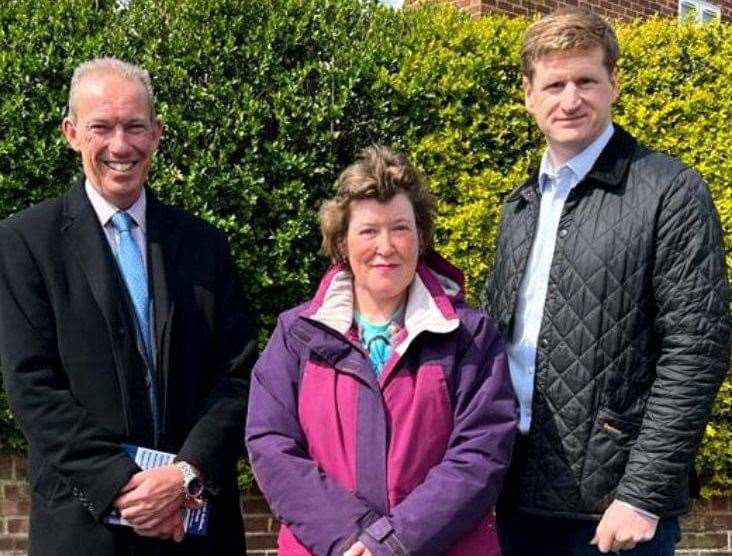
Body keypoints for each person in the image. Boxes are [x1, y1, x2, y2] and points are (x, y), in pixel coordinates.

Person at [483, 7, 730, 556]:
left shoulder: (671, 192)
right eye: (553, 84)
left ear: (614, 83)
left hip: (614, 510)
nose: (569, 99)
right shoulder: (520, 206)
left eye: (585, 81)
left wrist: (643, 494)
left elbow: (697, 350)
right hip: (516, 492)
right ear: (528, 94)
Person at [0, 57, 257, 555]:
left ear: (157, 133)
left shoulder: (206, 245)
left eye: (135, 127)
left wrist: (183, 476)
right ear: (72, 133)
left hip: (195, 527)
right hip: (85, 528)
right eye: (102, 127)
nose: (121, 145)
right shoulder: (24, 243)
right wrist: (126, 487)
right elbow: (32, 386)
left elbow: (239, 376)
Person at [246, 146, 516, 556]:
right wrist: (352, 539)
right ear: (342, 243)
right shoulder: (296, 334)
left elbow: (479, 455)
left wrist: (392, 543)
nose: (385, 246)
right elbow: (271, 444)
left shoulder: (470, 336)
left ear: (421, 237)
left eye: (401, 228)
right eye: (368, 231)